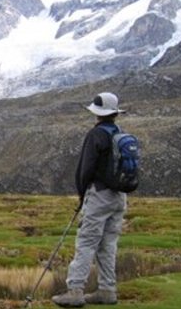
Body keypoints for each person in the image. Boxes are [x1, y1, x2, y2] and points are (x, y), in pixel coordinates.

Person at [52, 92, 127, 307]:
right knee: (108, 244)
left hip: (99, 196)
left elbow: (85, 170)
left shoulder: (96, 135)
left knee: (86, 242)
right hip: (119, 197)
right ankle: (107, 290)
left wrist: (82, 195)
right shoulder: (119, 133)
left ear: (97, 113)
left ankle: (75, 290)